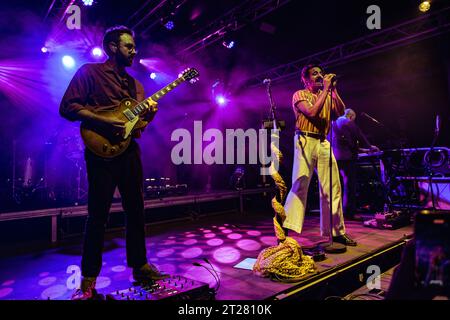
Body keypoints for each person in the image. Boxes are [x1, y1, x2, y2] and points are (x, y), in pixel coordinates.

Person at [60, 25, 168, 300]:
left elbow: (137, 128)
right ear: (112, 47)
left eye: (134, 47)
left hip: (129, 151)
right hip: (100, 152)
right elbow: (68, 107)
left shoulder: (137, 86)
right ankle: (88, 281)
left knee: (136, 210)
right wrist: (104, 119)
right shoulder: (90, 72)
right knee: (98, 215)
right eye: (128, 46)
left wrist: (149, 116)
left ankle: (140, 266)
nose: (134, 51)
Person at [283, 64, 357, 246]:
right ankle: (286, 226)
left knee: (333, 186)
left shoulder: (326, 94)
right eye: (314, 74)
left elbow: (341, 113)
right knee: (300, 182)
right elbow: (312, 112)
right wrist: (325, 89)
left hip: (323, 142)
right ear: (305, 79)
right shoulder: (299, 95)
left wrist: (333, 90)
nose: (319, 76)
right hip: (305, 140)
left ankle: (337, 231)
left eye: (320, 73)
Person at [332, 108, 379, 220]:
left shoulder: (335, 123)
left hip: (336, 157)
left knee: (339, 185)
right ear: (351, 116)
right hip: (346, 158)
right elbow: (359, 133)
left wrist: (365, 150)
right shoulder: (346, 121)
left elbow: (347, 144)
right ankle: (348, 213)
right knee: (349, 185)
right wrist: (369, 146)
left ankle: (340, 212)